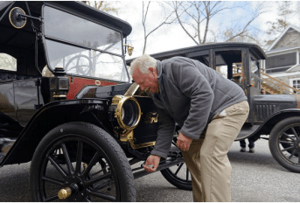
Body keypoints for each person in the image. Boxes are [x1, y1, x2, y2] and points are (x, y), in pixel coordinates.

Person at [130, 54, 249, 202]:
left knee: (210, 155)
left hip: (230, 106)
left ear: (152, 71)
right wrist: (157, 153)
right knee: (190, 153)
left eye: (141, 82)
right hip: (206, 117)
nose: (142, 88)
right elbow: (166, 124)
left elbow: (204, 94)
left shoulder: (177, 67)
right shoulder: (156, 94)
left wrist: (188, 132)